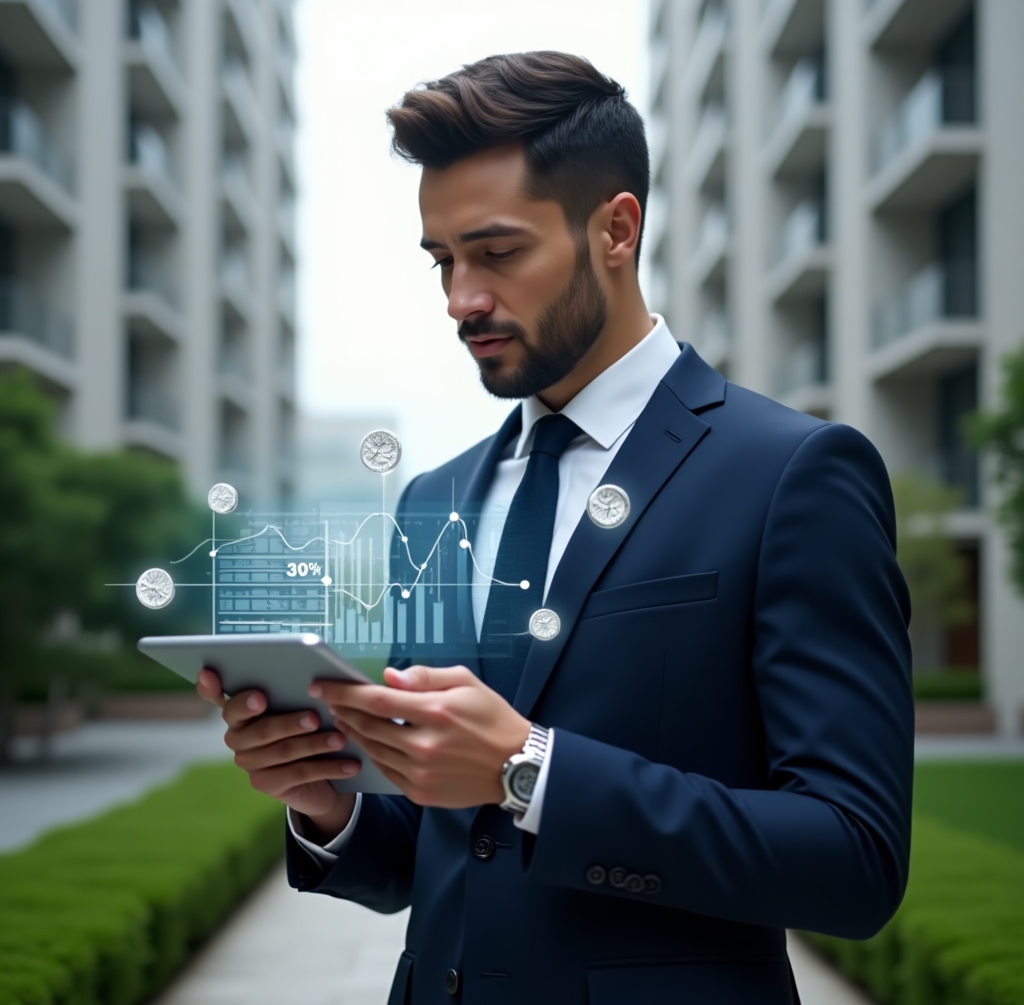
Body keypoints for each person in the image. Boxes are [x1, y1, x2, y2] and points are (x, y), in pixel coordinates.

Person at [198, 52, 913, 1005]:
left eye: (496, 253)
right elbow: (435, 855)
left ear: (616, 229)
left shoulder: (792, 475)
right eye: (442, 261)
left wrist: (529, 769)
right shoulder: (432, 505)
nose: (461, 301)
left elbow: (854, 858)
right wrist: (327, 804)